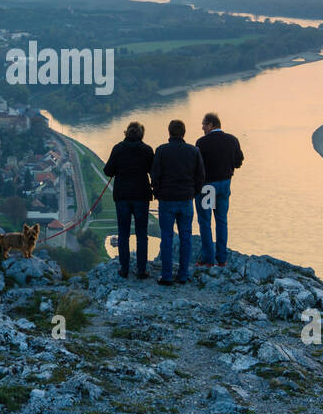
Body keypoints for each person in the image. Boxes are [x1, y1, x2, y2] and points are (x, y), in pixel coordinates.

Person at [150, 119, 205, 285]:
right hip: (186, 200)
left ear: (169, 132)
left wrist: (157, 193)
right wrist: (192, 193)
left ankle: (166, 276)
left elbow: (155, 176)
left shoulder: (161, 151)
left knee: (166, 238)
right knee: (185, 237)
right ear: (184, 133)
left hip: (166, 200)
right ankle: (183, 275)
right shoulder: (193, 151)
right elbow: (200, 177)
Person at [103, 121, 154, 279]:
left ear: (126, 133)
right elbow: (153, 171)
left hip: (122, 196)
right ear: (141, 134)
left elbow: (108, 170)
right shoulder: (147, 150)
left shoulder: (118, 149)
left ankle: (124, 268)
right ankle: (141, 269)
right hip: (141, 196)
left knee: (123, 234)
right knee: (141, 233)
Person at [195, 112, 244, 267]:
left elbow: (197, 166)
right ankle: (222, 259)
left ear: (211, 124)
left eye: (204, 124)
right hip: (225, 183)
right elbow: (239, 161)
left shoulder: (202, 143)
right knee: (221, 220)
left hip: (208, 186)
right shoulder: (232, 140)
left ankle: (208, 259)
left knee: (205, 221)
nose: (202, 127)